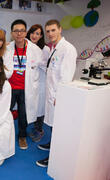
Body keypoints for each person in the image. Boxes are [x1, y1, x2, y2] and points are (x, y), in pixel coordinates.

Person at [36, 19, 77, 168]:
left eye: (53, 30)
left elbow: (66, 77)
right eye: (48, 31)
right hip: (52, 94)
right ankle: (52, 144)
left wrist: (59, 96)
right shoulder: (55, 48)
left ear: (60, 29)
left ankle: (54, 157)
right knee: (53, 125)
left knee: (58, 127)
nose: (50, 33)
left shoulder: (68, 49)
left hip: (58, 96)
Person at [4, 19, 43, 150]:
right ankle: (3, 134)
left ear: (26, 32)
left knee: (23, 114)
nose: (19, 34)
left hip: (26, 88)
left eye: (21, 31)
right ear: (12, 33)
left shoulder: (35, 49)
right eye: (16, 31)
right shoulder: (8, 48)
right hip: (10, 87)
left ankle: (22, 136)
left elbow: (43, 67)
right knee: (4, 111)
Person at [26, 24, 50, 142]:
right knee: (31, 106)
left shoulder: (45, 49)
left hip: (40, 82)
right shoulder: (26, 46)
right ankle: (33, 127)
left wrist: (38, 63)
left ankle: (39, 130)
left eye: (37, 33)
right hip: (30, 82)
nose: (34, 36)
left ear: (41, 36)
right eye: (32, 32)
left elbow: (47, 67)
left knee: (39, 107)